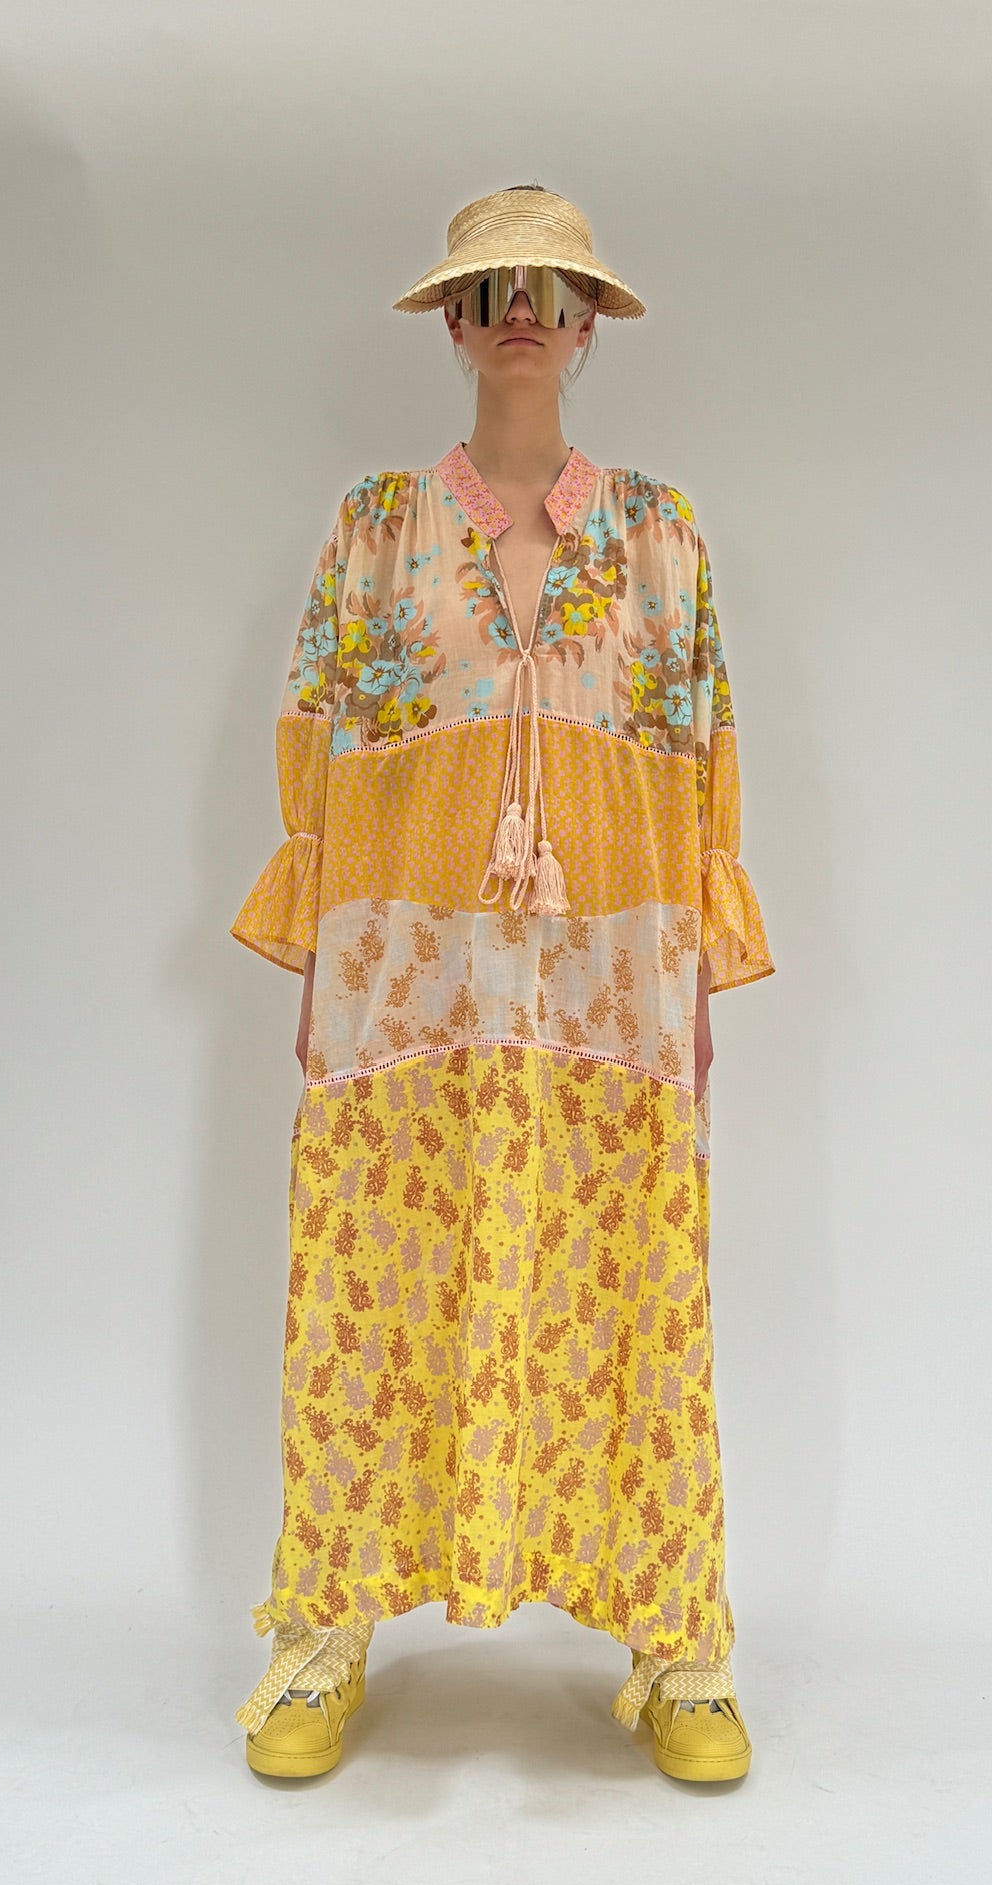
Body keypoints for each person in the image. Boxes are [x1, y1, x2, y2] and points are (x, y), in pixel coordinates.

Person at [228, 184, 775, 1783]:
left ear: (588, 323)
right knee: (369, 1281)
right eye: (490, 291)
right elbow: (319, 740)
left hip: (610, 982)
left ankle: (678, 1641)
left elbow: (702, 757)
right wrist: (322, 956)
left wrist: (693, 978)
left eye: (549, 290)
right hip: (411, 984)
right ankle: (322, 1624)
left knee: (635, 1287)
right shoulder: (374, 527)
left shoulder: (660, 535)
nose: (520, 313)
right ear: (453, 325)